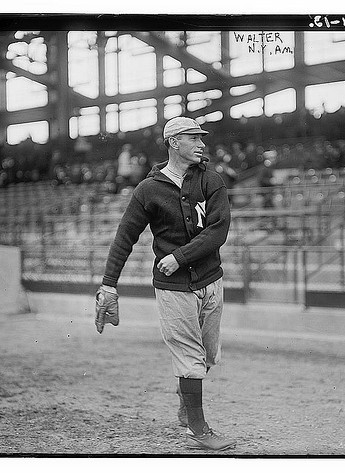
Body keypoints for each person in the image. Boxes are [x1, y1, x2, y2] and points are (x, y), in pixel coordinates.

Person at [94, 116, 235, 451]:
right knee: (189, 357)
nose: (202, 144)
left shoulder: (211, 180)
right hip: (173, 288)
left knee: (208, 356)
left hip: (211, 280)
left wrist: (179, 257)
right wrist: (109, 285)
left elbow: (219, 230)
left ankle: (186, 399)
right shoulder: (148, 190)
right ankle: (198, 430)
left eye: (202, 138)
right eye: (193, 139)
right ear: (174, 142)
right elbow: (124, 237)